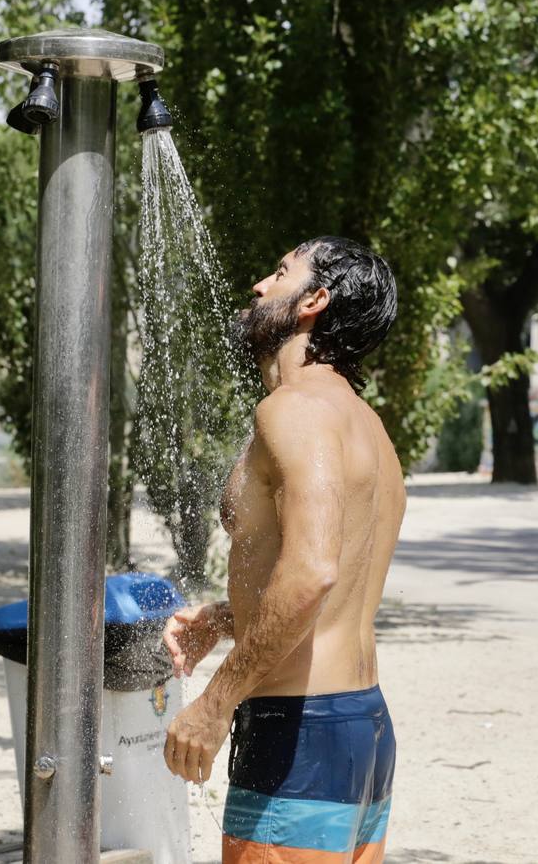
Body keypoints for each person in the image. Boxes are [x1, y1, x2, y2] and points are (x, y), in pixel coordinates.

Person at [162, 237, 403, 864]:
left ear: (313, 301)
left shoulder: (291, 411)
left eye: (279, 273)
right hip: (360, 728)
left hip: (301, 732)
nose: (258, 286)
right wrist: (229, 615)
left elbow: (313, 573)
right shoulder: (368, 427)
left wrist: (214, 706)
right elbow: (337, 576)